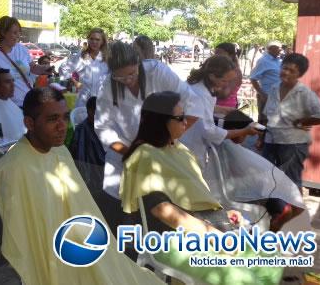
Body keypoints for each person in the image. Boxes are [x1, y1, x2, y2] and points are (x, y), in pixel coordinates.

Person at [0, 88, 161, 285]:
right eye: (53, 119)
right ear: (29, 123)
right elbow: (23, 236)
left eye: (65, 117)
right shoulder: (13, 168)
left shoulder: (60, 151)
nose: (63, 126)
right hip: (49, 255)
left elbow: (81, 205)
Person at [120, 92, 283, 285]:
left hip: (203, 224)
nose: (186, 122)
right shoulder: (146, 155)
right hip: (169, 238)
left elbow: (194, 194)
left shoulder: (178, 149)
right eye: (180, 118)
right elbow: (162, 210)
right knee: (244, 279)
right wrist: (215, 237)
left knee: (271, 259)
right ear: (160, 121)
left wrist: (222, 214)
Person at [180, 55, 304, 231]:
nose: (228, 86)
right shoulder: (199, 93)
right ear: (213, 76)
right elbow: (209, 130)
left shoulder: (200, 89)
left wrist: (221, 110)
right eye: (226, 81)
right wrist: (243, 131)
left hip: (197, 150)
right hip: (190, 149)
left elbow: (203, 112)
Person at [95, 41, 201, 228]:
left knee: (162, 207)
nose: (128, 80)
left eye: (132, 74)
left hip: (162, 150)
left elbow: (193, 105)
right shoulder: (107, 85)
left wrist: (170, 138)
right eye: (121, 78)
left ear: (139, 62)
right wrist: (131, 153)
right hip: (123, 156)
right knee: (122, 215)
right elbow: (103, 127)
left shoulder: (158, 73)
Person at [262, 53, 320, 190]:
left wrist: (302, 122)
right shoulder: (274, 88)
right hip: (271, 141)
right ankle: (275, 209)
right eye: (284, 68)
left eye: (292, 71)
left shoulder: (304, 93)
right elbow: (268, 116)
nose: (286, 73)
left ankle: (293, 210)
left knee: (291, 182)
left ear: (299, 75)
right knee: (267, 177)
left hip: (293, 144)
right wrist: (261, 137)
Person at [59, 28, 109, 108]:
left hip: (102, 101)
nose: (94, 42)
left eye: (97, 39)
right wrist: (74, 82)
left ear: (102, 41)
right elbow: (63, 68)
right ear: (88, 40)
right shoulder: (81, 56)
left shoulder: (107, 57)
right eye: (91, 39)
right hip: (84, 100)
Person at [68, 96, 105, 192]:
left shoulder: (104, 127)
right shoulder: (82, 131)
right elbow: (80, 159)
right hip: (93, 175)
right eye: (97, 113)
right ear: (89, 112)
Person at [250, 40, 282, 124]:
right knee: (264, 123)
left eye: (281, 48)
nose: (280, 50)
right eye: (278, 48)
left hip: (277, 96)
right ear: (270, 49)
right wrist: (262, 94)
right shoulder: (263, 61)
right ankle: (261, 137)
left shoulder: (278, 61)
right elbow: (253, 78)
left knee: (275, 123)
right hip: (267, 96)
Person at [213, 42, 243, 112]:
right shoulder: (220, 69)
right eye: (215, 53)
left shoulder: (235, 72)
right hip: (214, 108)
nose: (216, 56)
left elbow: (224, 94)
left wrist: (209, 87)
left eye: (219, 53)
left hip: (225, 110)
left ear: (231, 55)